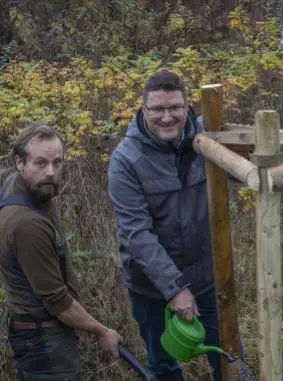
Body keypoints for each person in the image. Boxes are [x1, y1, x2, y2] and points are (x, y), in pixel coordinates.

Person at [108, 71, 226, 380]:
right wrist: (174, 290)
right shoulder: (125, 161)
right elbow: (137, 234)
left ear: (188, 107)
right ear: (143, 110)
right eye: (157, 109)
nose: (166, 117)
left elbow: (243, 168)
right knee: (163, 365)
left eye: (174, 107)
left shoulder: (207, 141)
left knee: (228, 356)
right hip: (151, 288)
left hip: (205, 277)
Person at [0, 124, 122, 380]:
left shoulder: (14, 180)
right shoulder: (26, 224)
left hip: (34, 331)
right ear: (20, 162)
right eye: (41, 163)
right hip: (43, 339)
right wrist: (103, 332)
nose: (51, 172)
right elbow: (57, 301)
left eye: (57, 163)